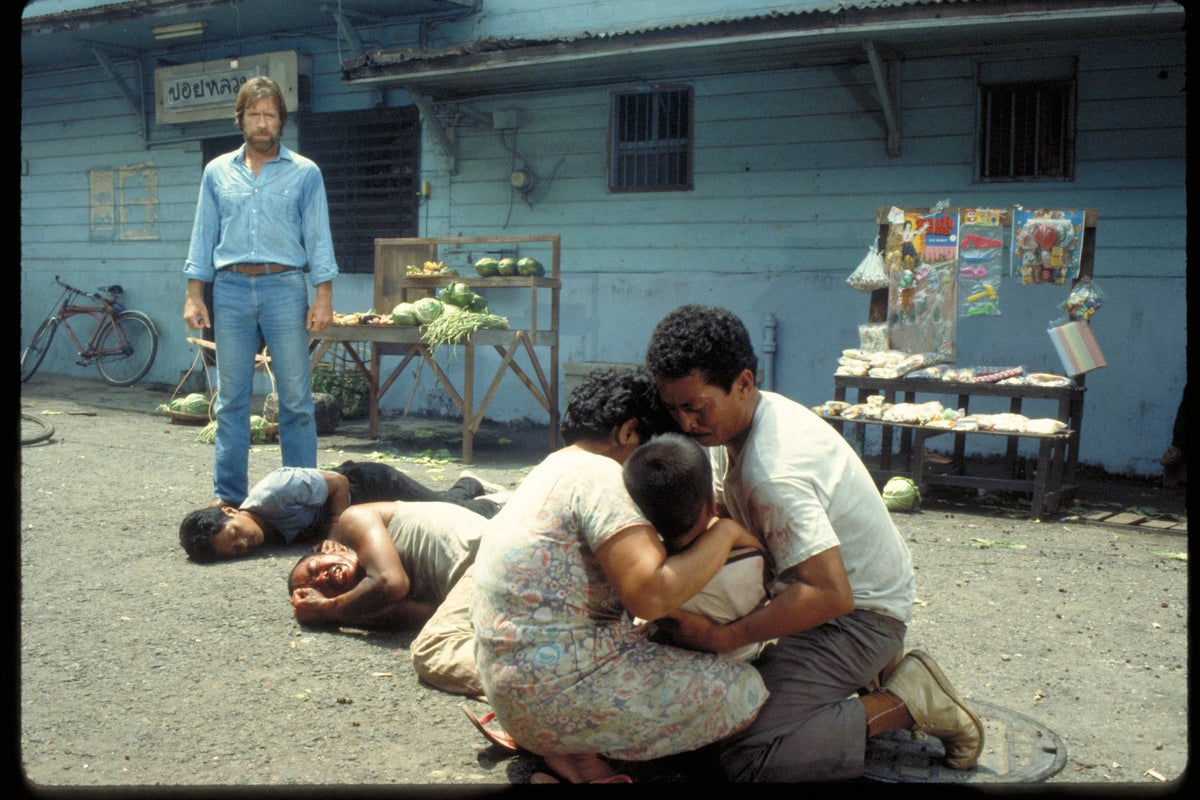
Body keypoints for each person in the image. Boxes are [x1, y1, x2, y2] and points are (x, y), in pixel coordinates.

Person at [644, 304, 983, 782]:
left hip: (859, 616)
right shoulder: (741, 423)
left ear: (743, 383)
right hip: (819, 597)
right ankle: (867, 676)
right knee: (717, 707)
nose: (685, 424)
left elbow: (829, 594)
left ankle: (908, 700)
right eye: (674, 409)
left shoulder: (773, 472)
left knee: (745, 748)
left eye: (695, 408)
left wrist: (723, 637)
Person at [470, 367, 768, 784]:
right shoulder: (603, 476)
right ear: (629, 432)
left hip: (513, 695)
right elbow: (651, 596)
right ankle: (575, 744)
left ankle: (568, 755)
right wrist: (727, 534)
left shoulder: (551, 468)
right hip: (552, 699)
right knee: (745, 690)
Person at [182, 75, 338, 507]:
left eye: (270, 114)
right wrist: (194, 294)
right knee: (231, 398)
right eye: (254, 114)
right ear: (241, 119)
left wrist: (323, 296)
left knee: (295, 398)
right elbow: (203, 235)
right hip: (230, 290)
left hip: (284, 288)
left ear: (281, 120)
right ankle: (228, 496)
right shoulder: (217, 172)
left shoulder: (305, 173)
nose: (262, 123)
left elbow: (319, 237)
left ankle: (301, 496)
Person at [622, 432, 769, 662]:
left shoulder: (644, 580)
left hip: (669, 665)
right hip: (744, 662)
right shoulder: (751, 561)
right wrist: (729, 530)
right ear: (711, 501)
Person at [179, 460, 505, 561]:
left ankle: (496, 501)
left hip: (371, 484)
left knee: (450, 510)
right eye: (236, 550)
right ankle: (470, 484)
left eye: (236, 534)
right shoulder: (264, 534)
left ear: (231, 511)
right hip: (367, 512)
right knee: (439, 513)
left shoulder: (275, 491)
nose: (244, 543)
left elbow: (338, 482)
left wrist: (334, 535)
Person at [287, 501, 481, 637]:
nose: (322, 579)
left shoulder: (354, 518)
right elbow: (428, 613)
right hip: (481, 592)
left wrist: (325, 609)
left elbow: (390, 583)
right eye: (320, 591)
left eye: (314, 569)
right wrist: (336, 611)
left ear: (335, 549)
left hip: (486, 555)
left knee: (431, 653)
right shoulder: (372, 601)